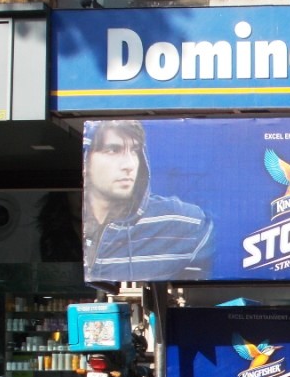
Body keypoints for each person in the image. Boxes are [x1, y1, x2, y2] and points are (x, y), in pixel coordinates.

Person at [83, 120, 214, 282]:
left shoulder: (186, 224)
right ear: (85, 161)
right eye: (112, 150)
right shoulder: (65, 223)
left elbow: (191, 296)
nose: (129, 165)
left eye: (135, 151)